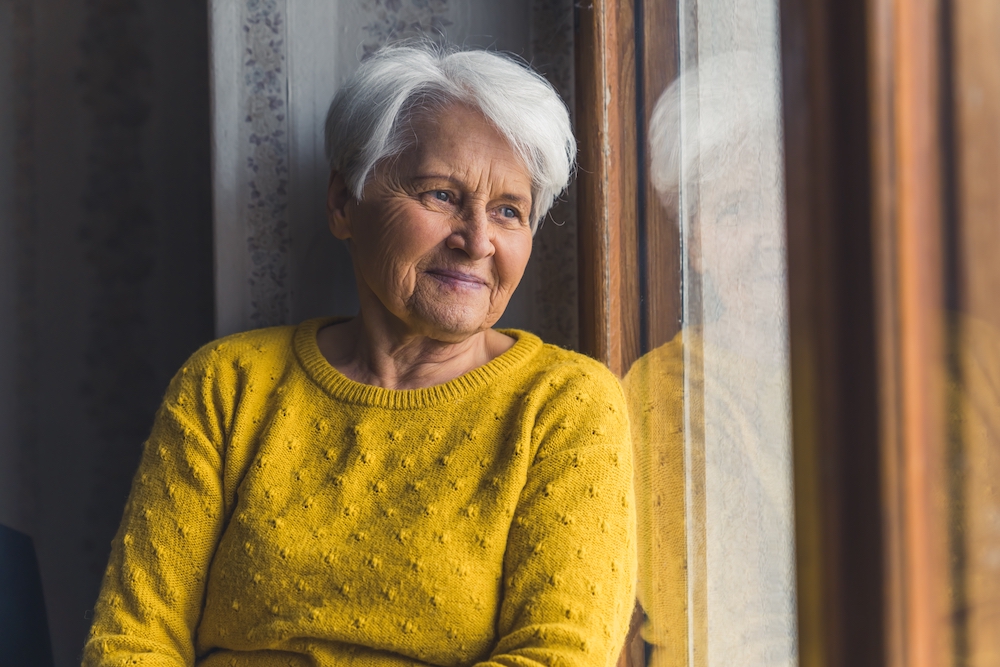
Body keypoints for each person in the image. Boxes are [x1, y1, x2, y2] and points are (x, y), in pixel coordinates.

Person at [82, 43, 636, 667]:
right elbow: (133, 642)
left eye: (509, 211)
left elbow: (558, 655)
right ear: (345, 204)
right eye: (442, 196)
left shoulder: (564, 405)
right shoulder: (227, 384)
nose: (477, 240)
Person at [623, 51, 797, 667]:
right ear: (694, 244)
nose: (772, 235)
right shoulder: (666, 393)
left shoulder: (954, 356)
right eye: (734, 209)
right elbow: (726, 634)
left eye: (789, 195)